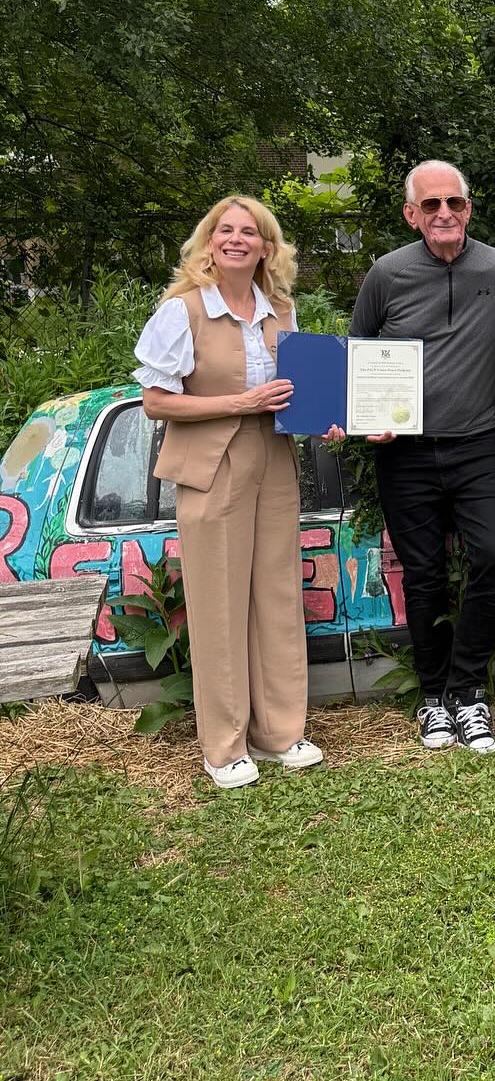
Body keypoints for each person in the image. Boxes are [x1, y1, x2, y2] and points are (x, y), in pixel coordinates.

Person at [135, 196, 323, 789]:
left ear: (267, 247)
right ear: (209, 241)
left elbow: (298, 395)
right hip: (212, 462)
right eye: (225, 230)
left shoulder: (282, 310)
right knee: (218, 603)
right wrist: (239, 404)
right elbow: (156, 402)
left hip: (274, 458)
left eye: (250, 232)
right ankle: (224, 747)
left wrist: (329, 414)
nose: (236, 239)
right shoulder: (181, 310)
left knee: (275, 596)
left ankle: (280, 733)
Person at [349, 161, 495, 754]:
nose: (443, 214)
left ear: (469, 209)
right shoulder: (386, 274)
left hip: (482, 446)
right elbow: (358, 356)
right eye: (431, 206)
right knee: (422, 576)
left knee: (494, 559)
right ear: (411, 214)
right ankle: (432, 699)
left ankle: (468, 692)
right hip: (406, 454)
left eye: (454, 203)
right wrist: (363, 419)